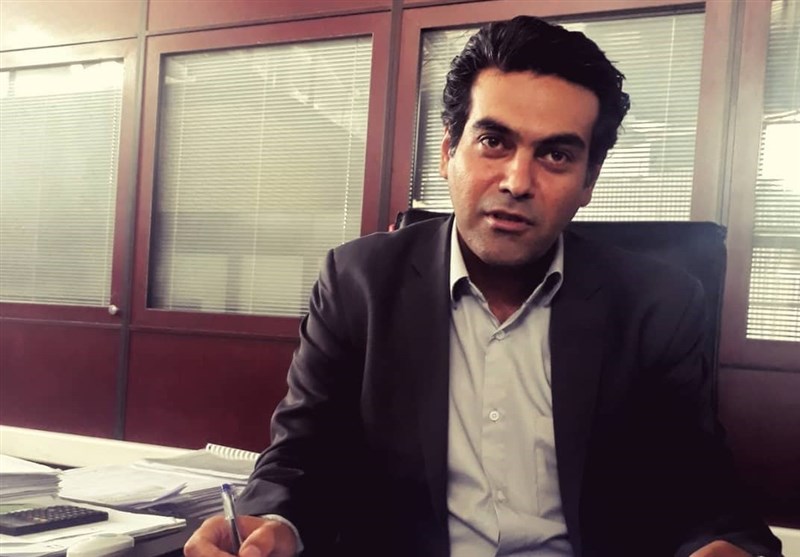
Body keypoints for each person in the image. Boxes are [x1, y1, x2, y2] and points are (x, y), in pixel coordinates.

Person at [184, 15, 782, 557]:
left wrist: (725, 545)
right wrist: (273, 522)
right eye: (494, 142)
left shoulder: (657, 303)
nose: (517, 181)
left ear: (589, 181)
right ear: (449, 152)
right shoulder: (358, 283)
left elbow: (703, 495)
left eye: (555, 155)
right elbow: (302, 458)